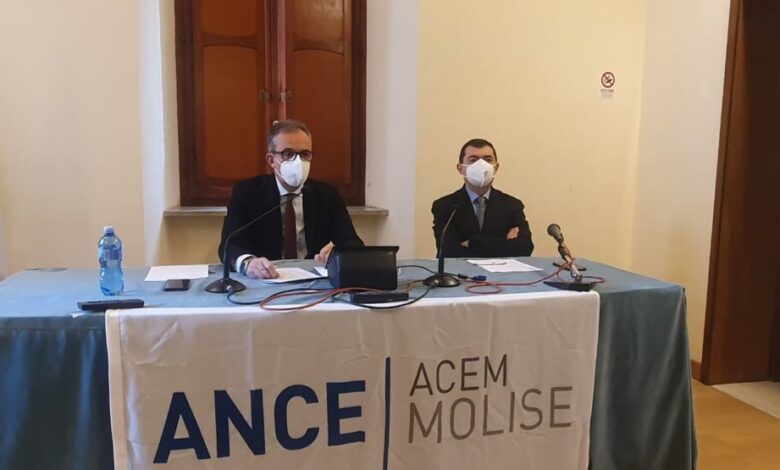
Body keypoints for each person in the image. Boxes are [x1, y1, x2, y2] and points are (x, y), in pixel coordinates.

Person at [219, 120, 363, 279]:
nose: (298, 162)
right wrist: (249, 263)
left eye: (305, 154)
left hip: (313, 279)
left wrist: (338, 252)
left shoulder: (327, 194)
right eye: (288, 154)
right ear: (271, 160)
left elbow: (352, 242)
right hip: (266, 278)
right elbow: (229, 246)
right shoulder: (248, 192)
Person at [431, 138, 533, 258]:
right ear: (460, 168)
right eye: (473, 160)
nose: (481, 165)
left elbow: (524, 248)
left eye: (488, 160)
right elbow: (449, 251)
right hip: (459, 270)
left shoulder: (512, 205)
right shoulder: (445, 206)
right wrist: (503, 242)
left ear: (496, 167)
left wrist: (472, 243)